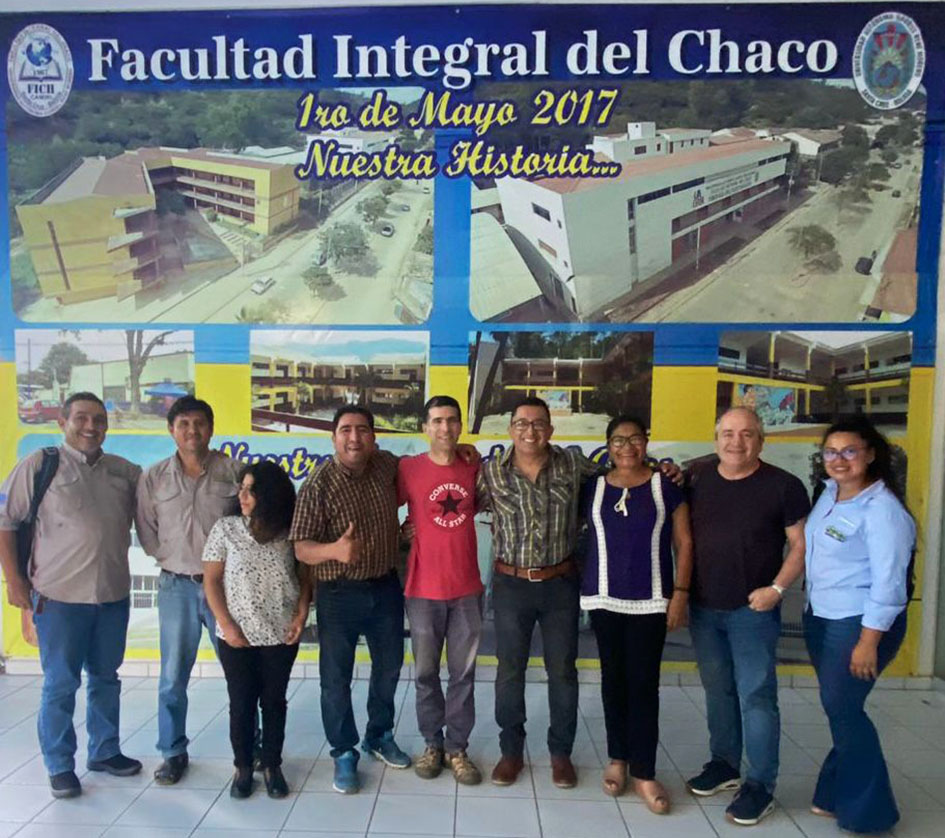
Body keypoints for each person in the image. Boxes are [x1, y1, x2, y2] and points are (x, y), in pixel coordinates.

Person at [0, 393, 142, 798]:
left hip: (112, 597)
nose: (91, 426)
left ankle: (104, 750)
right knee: (61, 684)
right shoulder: (41, 465)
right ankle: (60, 765)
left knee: (106, 679)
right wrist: (14, 583)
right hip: (59, 599)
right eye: (81, 418)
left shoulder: (123, 472)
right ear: (63, 421)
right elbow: (6, 522)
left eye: (99, 419)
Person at [685, 406, 809, 825]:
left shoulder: (783, 486)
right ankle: (724, 764)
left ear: (761, 439)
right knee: (717, 690)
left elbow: (801, 545)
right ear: (716, 436)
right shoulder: (697, 479)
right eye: (728, 433)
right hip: (704, 608)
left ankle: (759, 785)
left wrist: (776, 589)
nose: (736, 442)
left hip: (752, 612)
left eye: (747, 434)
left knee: (757, 697)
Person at [477, 396, 601, 790]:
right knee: (509, 671)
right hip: (511, 584)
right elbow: (452, 506)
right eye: (521, 423)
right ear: (510, 429)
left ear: (550, 429)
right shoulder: (490, 472)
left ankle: (560, 753)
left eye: (538, 423)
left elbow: (621, 475)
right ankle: (511, 751)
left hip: (559, 584)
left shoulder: (573, 465)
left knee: (562, 671)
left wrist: (668, 470)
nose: (530, 431)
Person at [290, 406, 411, 794]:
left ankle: (378, 735)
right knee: (335, 679)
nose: (354, 438)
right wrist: (334, 551)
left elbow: (424, 467)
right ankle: (344, 751)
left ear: (374, 437)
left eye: (362, 430)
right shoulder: (318, 485)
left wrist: (465, 453)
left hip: (386, 587)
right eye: (345, 430)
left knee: (389, 667)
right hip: (338, 594)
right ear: (334, 437)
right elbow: (301, 549)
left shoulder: (386, 466)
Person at [803, 417, 914, 833]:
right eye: (831, 452)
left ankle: (870, 812)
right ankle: (832, 793)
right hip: (821, 616)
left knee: (843, 709)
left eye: (849, 451)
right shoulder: (830, 495)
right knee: (840, 707)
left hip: (857, 623)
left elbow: (890, 582)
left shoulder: (883, 510)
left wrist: (868, 641)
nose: (839, 460)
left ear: (869, 454)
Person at [580, 415, 693, 812]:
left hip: (652, 600)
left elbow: (684, 541)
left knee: (644, 684)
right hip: (603, 599)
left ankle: (645, 771)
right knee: (613, 681)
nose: (626, 447)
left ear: (646, 442)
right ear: (607, 446)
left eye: (634, 439)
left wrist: (680, 594)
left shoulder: (667, 486)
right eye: (617, 440)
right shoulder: (592, 487)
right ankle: (618, 760)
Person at [136, 395, 242, 785]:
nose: (192, 431)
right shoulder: (154, 477)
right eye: (183, 424)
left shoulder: (234, 472)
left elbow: (249, 526)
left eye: (199, 423)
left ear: (211, 429)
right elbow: (146, 528)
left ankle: (249, 748)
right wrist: (168, 557)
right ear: (171, 430)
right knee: (172, 675)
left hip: (227, 589)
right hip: (176, 587)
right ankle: (173, 751)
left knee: (240, 672)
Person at [203, 461, 312, 799]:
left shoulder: (290, 529)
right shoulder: (227, 528)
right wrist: (226, 625)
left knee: (274, 702)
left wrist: (301, 613)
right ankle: (243, 766)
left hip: (281, 633)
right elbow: (212, 580)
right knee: (242, 702)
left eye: (252, 490)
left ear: (271, 494)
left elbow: (305, 575)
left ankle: (271, 764)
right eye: (242, 489)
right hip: (237, 635)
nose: (243, 495)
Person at [398, 396, 484, 785]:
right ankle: (432, 744)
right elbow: (384, 510)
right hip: (422, 590)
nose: (445, 428)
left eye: (451, 420)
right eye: (436, 421)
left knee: (463, 675)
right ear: (425, 428)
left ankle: (457, 749)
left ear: (460, 425)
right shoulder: (408, 469)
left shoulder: (475, 466)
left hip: (466, 588)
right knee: (426, 674)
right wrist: (399, 532)